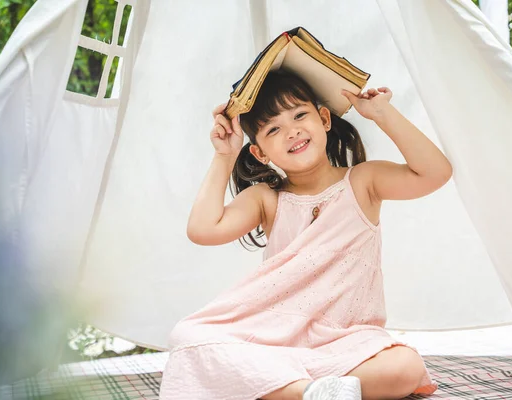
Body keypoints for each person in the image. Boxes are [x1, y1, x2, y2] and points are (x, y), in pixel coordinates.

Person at [159, 70, 452, 400]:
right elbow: (202, 229)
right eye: (273, 129)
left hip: (349, 342)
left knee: (404, 365)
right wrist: (224, 155)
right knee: (187, 335)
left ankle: (286, 391)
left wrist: (382, 113)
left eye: (299, 115)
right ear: (260, 153)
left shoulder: (363, 182)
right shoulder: (266, 198)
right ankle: (308, 393)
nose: (292, 131)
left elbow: (435, 173)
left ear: (324, 118)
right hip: (276, 343)